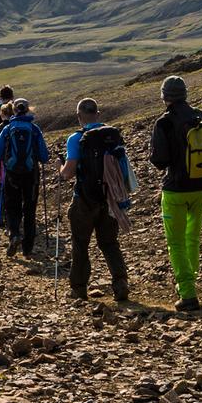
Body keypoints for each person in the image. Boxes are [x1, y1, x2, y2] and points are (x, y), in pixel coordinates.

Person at [149, 75, 202, 311]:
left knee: (176, 242)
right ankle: (191, 280)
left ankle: (188, 292)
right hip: (201, 187)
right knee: (192, 237)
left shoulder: (165, 122)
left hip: (175, 190)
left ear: (165, 97)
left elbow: (160, 160)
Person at [58, 98, 136, 301]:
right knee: (109, 242)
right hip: (111, 198)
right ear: (98, 114)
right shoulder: (113, 136)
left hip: (84, 198)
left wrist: (61, 168)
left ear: (78, 116)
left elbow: (68, 172)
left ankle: (79, 288)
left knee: (80, 243)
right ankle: (120, 282)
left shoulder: (76, 138)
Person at [0, 98, 48, 257]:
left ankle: (14, 234)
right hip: (31, 175)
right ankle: (28, 248)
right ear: (28, 109)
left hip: (12, 174)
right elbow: (44, 156)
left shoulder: (8, 128)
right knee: (29, 209)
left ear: (14, 110)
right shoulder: (34, 129)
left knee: (12, 207)